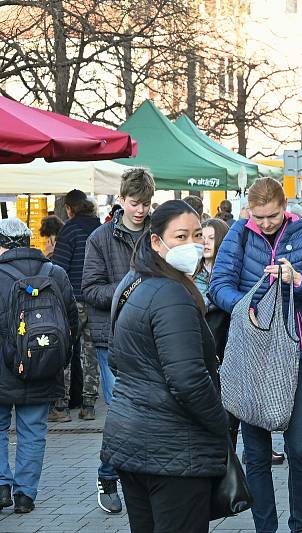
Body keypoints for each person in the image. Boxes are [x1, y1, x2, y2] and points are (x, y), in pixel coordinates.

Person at [209, 177, 302, 533]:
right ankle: (266, 528)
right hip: (253, 355)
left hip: (298, 355)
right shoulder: (240, 234)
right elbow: (219, 286)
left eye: (273, 216)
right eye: (259, 216)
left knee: (300, 450)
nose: (265, 223)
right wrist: (245, 307)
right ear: (249, 211)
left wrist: (299, 281)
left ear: (285, 207)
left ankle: (301, 527)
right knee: (257, 454)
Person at [100, 200, 229, 533]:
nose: (192, 245)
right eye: (181, 236)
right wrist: (220, 424)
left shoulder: (133, 283)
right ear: (156, 242)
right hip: (173, 450)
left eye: (198, 235)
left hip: (132, 440)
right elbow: (188, 380)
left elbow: (117, 359)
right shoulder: (171, 293)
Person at [83, 168, 155, 514]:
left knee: (147, 410)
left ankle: (141, 477)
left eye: (145, 204)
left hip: (152, 335)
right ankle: (107, 475)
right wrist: (130, 290)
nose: (140, 210)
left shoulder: (158, 233)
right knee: (121, 411)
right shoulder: (100, 238)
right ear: (121, 200)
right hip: (111, 338)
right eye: (134, 203)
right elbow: (90, 289)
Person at [0, 218, 79, 514]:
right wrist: (60, 359)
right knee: (33, 431)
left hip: (2, 368)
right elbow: (71, 321)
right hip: (43, 364)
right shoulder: (54, 272)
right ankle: (25, 495)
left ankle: (1, 486)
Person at [51, 189, 102, 423]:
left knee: (66, 350)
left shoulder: (68, 230)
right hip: (96, 299)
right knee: (90, 353)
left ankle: (61, 407)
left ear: (69, 209)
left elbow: (59, 268)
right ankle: (89, 405)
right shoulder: (101, 229)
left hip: (72, 298)